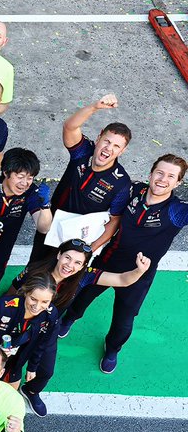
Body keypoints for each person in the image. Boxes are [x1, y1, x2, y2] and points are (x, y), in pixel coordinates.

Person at [62, 154, 188, 373]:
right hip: (108, 261)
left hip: (140, 275)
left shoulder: (176, 211)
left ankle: (112, 349)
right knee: (82, 295)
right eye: (159, 172)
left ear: (178, 183)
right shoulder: (133, 190)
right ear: (150, 174)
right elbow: (112, 217)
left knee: (124, 321)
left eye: (170, 176)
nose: (162, 179)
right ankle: (69, 319)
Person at [7, 239, 150, 415]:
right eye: (67, 258)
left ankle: (31, 391)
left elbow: (121, 279)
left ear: (83, 266)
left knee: (45, 371)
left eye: (77, 262)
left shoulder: (84, 276)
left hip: (49, 328)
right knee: (9, 368)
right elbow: (11, 294)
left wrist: (139, 271)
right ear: (59, 254)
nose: (70, 265)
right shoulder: (35, 270)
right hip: (21, 325)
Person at [34, 93, 132, 263]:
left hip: (78, 242)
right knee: (33, 268)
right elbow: (69, 127)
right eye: (107, 141)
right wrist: (95, 107)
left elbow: (114, 221)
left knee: (59, 282)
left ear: (122, 151)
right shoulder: (83, 151)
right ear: (99, 137)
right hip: (51, 226)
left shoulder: (121, 183)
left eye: (116, 146)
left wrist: (89, 249)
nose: (108, 149)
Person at [0, 148, 53, 293]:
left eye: (30, 178)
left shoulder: (31, 193)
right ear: (6, 172)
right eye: (20, 176)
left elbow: (44, 228)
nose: (24, 183)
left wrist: (45, 205)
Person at [0, 273, 60, 390]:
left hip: (15, 363)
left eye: (45, 302)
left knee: (9, 396)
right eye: (33, 299)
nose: (37, 306)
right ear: (26, 292)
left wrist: (32, 367)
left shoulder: (50, 315)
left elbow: (41, 344)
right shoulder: (3, 306)